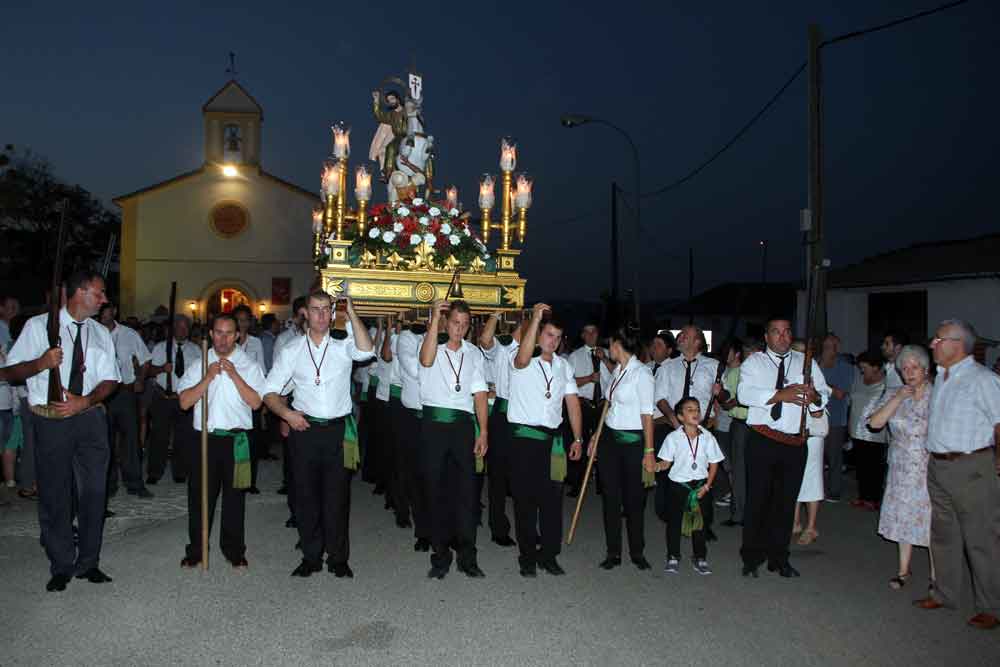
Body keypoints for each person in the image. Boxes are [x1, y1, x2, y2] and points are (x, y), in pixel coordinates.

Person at [3, 270, 121, 592]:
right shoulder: (38, 326)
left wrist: (86, 401)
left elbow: (111, 380)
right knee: (55, 494)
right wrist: (40, 364)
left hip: (91, 419)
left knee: (95, 492)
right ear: (80, 292)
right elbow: (9, 372)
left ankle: (89, 563)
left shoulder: (100, 333)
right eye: (99, 293)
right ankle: (61, 564)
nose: (105, 300)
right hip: (51, 419)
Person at [263, 292, 374, 578]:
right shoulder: (292, 350)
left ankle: (338, 558)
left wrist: (350, 311)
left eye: (327, 309)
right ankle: (311, 556)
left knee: (337, 497)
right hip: (305, 430)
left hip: (338, 431)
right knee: (305, 496)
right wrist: (287, 415)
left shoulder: (344, 344)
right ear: (305, 314)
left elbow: (366, 349)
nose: (322, 315)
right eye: (316, 310)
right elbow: (269, 391)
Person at [913, 319, 1000, 631]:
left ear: (958, 344)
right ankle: (945, 594)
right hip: (939, 466)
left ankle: (991, 606)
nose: (933, 344)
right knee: (944, 535)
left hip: (972, 468)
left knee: (981, 539)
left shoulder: (982, 379)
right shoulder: (943, 378)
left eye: (938, 339)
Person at [737, 317, 830, 579]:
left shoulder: (806, 363)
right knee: (758, 500)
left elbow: (823, 395)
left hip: (794, 443)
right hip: (763, 439)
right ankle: (752, 557)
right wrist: (780, 395)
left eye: (787, 332)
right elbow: (744, 394)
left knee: (786, 504)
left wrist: (814, 398)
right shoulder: (754, 362)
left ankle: (779, 557)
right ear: (766, 337)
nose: (782, 336)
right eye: (776, 332)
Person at [177, 313, 265, 569]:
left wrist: (235, 375)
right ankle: (196, 550)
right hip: (205, 440)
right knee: (200, 498)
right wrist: (207, 378)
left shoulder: (249, 364)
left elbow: (256, 402)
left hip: (237, 441)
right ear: (211, 334)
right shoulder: (200, 362)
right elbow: (184, 403)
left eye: (228, 333)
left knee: (235, 499)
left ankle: (234, 550)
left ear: (237, 335)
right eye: (218, 332)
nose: (223, 339)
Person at [508, 304, 584, 576]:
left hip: (554, 442)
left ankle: (549, 554)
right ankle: (527, 556)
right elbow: (522, 358)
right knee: (525, 501)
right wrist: (536, 317)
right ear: (538, 335)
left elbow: (572, 403)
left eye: (558, 336)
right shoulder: (521, 360)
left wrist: (577, 438)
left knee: (552, 501)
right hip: (525, 441)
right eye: (549, 334)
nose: (553, 341)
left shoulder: (564, 366)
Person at [418, 300, 490, 579]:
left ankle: (467, 557)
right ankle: (440, 556)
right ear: (446, 323)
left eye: (464, 324)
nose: (459, 329)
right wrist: (435, 318)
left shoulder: (474, 354)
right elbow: (425, 361)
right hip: (434, 425)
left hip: (462, 426)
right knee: (436, 492)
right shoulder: (430, 345)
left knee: (466, 494)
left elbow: (480, 394)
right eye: (455, 323)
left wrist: (483, 431)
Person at [865, 344, 934, 591]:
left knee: (929, 521)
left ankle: (936, 578)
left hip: (928, 467)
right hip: (901, 466)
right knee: (904, 517)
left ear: (925, 369)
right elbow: (874, 423)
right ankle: (903, 570)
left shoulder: (936, 395)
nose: (910, 373)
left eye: (915, 367)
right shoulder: (895, 393)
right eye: (905, 368)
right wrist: (897, 398)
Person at [591, 326, 656, 571]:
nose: (608, 348)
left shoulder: (642, 374)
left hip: (633, 442)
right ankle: (613, 552)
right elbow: (609, 405)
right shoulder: (617, 369)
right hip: (609, 439)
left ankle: (637, 551)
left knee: (634, 499)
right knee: (610, 497)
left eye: (610, 344)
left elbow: (647, 414)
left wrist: (649, 452)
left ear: (618, 344)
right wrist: (596, 435)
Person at [657, 397, 724, 575]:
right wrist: (655, 466)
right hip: (679, 486)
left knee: (700, 524)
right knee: (674, 522)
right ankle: (673, 556)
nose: (695, 413)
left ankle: (700, 557)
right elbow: (666, 462)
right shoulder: (673, 438)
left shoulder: (708, 437)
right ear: (680, 417)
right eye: (690, 409)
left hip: (701, 486)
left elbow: (714, 463)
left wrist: (707, 486)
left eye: (697, 409)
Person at [99, 303, 153, 499]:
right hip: (102, 393)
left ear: (113, 312)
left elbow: (146, 359)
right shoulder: (93, 333)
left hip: (124, 392)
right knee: (105, 441)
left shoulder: (129, 334)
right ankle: (109, 484)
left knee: (130, 439)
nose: (103, 316)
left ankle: (135, 482)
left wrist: (140, 379)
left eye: (106, 312)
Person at [479, 310, 522, 548]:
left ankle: (526, 526)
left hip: (527, 417)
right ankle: (499, 528)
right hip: (504, 416)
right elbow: (485, 340)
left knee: (523, 477)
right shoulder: (504, 349)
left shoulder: (538, 352)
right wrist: (495, 314)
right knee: (498, 476)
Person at [147, 315, 201, 484]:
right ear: (172, 328)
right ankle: (154, 471)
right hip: (162, 397)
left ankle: (180, 471)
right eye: (178, 327)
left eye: (185, 327)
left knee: (183, 437)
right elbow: (149, 371)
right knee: (158, 436)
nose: (182, 330)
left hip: (183, 398)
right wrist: (162, 368)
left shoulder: (196, 350)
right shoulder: (159, 348)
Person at [392, 315, 429, 546]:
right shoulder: (406, 338)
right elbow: (417, 369)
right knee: (411, 472)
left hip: (435, 417)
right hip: (412, 415)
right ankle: (414, 522)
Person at [790, 339, 825, 546]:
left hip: (812, 434)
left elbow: (820, 405)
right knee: (793, 477)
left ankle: (811, 526)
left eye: (803, 353)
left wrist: (813, 396)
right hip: (794, 433)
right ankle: (794, 522)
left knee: (811, 480)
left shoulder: (815, 375)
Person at [566, 320, 607, 498]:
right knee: (579, 442)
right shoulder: (574, 356)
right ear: (583, 335)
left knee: (602, 445)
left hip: (603, 405)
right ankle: (578, 483)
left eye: (594, 332)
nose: (591, 336)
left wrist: (604, 359)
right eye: (587, 332)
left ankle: (602, 484)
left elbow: (617, 375)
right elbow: (569, 383)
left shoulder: (607, 354)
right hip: (583, 404)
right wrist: (589, 378)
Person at [232, 304, 266, 493]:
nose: (242, 324)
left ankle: (250, 481)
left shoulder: (256, 343)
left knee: (251, 442)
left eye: (245, 320)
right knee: (233, 440)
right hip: (232, 397)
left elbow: (261, 369)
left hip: (251, 395)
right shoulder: (227, 342)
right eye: (238, 320)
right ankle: (232, 478)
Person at [848, 350, 888, 510]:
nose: (862, 369)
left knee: (875, 467)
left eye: (865, 367)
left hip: (875, 433)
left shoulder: (887, 383)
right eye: (861, 367)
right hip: (856, 431)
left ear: (877, 367)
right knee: (861, 466)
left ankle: (874, 499)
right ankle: (863, 496)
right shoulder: (858, 380)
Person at [717, 341, 750, 527]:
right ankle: (739, 511)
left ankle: (740, 513)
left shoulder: (741, 372)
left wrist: (721, 396)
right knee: (734, 468)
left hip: (741, 422)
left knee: (738, 470)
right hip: (732, 423)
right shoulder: (727, 371)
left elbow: (731, 401)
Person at [817, 333, 853, 502]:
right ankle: (816, 490)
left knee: (834, 458)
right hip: (816, 417)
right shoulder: (816, 364)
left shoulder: (844, 366)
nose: (829, 350)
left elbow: (840, 394)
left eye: (832, 346)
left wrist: (822, 384)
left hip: (836, 419)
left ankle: (834, 491)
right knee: (816, 456)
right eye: (826, 346)